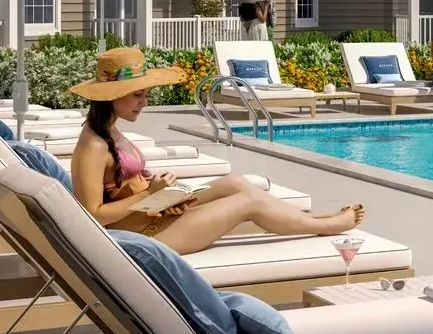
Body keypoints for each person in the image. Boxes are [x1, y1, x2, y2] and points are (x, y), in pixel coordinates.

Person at [68, 47, 361, 253]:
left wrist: (164, 196)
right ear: (113, 95)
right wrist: (150, 195)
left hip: (153, 215)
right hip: (144, 236)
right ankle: (327, 227)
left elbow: (125, 188)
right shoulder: (92, 145)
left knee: (235, 183)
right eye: (137, 95)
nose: (144, 102)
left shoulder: (109, 130)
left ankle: (314, 218)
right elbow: (93, 215)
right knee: (248, 202)